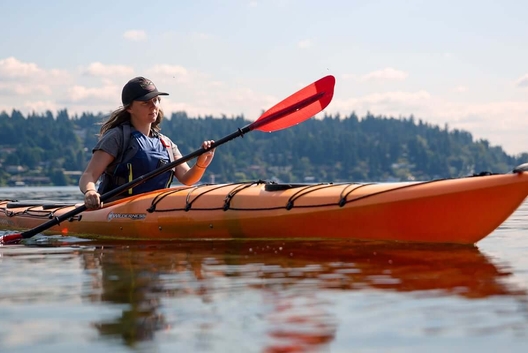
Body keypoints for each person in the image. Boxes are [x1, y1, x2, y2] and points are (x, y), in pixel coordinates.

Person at [79, 76, 215, 209]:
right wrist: (90, 192)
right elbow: (89, 175)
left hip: (155, 208)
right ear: (129, 108)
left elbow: (187, 178)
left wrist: (201, 164)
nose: (153, 106)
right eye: (146, 103)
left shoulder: (166, 143)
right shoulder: (117, 137)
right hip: (118, 208)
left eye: (156, 100)